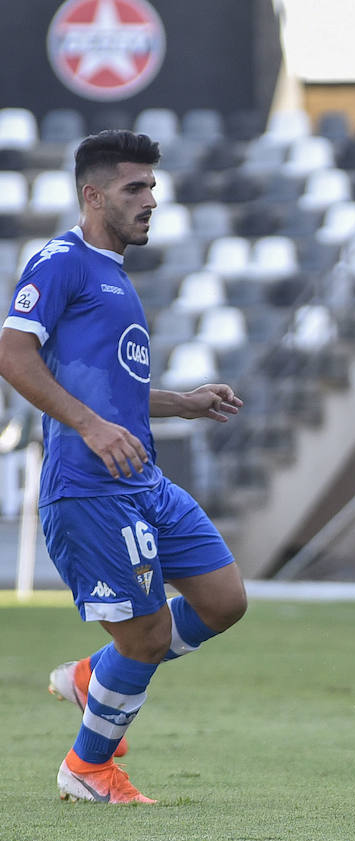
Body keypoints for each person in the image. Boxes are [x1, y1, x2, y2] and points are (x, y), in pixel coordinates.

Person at [0, 130, 247, 805]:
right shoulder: (61, 261)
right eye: (135, 188)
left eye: (152, 187)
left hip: (145, 481)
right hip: (88, 489)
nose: (151, 200)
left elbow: (111, 389)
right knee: (147, 637)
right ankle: (87, 767)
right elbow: (13, 354)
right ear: (93, 194)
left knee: (225, 601)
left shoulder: (113, 273)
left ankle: (91, 677)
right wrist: (86, 425)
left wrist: (181, 403)